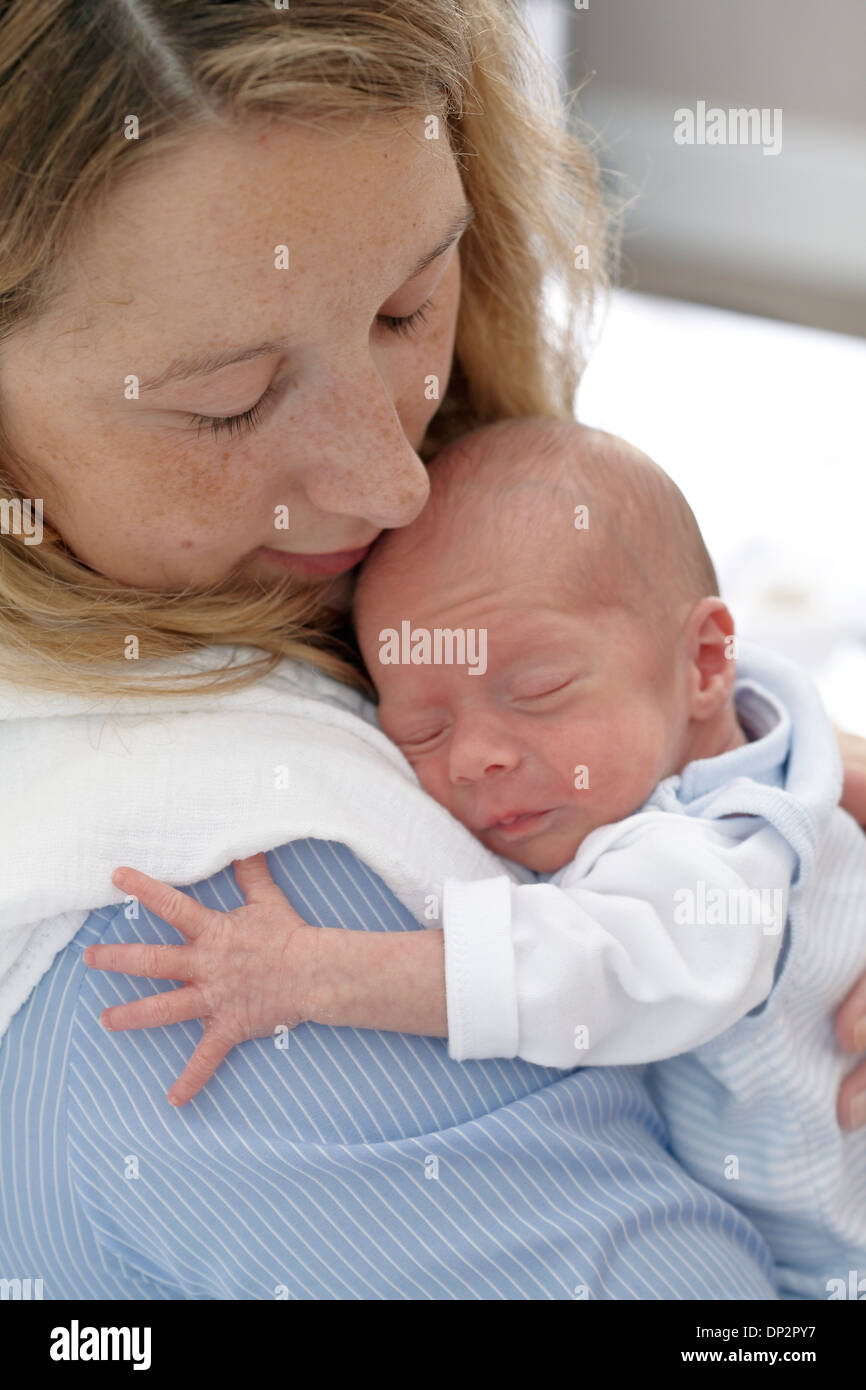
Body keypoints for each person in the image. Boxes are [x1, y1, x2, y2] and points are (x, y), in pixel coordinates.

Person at [1, 1, 864, 1301]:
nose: (390, 482)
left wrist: (801, 782)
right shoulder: (195, 924)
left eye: (407, 310)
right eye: (228, 401)